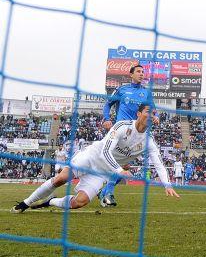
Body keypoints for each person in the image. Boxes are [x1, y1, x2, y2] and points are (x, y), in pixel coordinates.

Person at [11, 105, 179, 214]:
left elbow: (159, 164)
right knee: (61, 178)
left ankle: (51, 201)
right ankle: (25, 203)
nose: (152, 115)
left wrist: (167, 185)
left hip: (103, 172)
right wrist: (120, 170)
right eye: (148, 112)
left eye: (154, 113)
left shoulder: (149, 141)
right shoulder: (121, 126)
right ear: (139, 114)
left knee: (80, 202)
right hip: (91, 157)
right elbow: (105, 151)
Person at [99, 64, 158, 207]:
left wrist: (155, 117)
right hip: (120, 130)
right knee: (114, 163)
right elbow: (107, 104)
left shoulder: (146, 93)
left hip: (136, 134)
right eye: (138, 71)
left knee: (124, 167)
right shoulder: (122, 89)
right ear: (131, 74)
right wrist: (106, 118)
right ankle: (108, 193)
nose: (141, 74)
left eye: (143, 72)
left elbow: (153, 110)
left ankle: (104, 191)